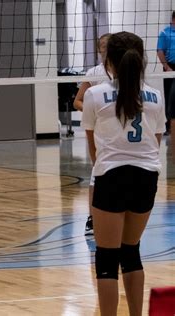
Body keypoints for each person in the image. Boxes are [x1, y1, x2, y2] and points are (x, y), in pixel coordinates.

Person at [82, 32, 165, 316]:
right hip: (146, 177)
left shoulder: (94, 95)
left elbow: (93, 148)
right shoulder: (156, 95)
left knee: (106, 258)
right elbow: (156, 140)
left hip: (112, 176)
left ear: (109, 62)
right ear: (140, 60)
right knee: (131, 251)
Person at [73, 33, 111, 236]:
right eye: (102, 46)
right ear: (98, 50)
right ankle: (91, 218)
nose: (105, 49)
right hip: (98, 130)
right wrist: (94, 112)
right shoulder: (94, 73)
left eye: (109, 45)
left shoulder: (124, 72)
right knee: (96, 172)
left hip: (117, 133)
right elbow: (77, 102)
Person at [156, 11, 175, 134]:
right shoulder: (165, 33)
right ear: (173, 19)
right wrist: (166, 67)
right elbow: (160, 50)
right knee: (170, 96)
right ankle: (168, 127)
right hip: (170, 67)